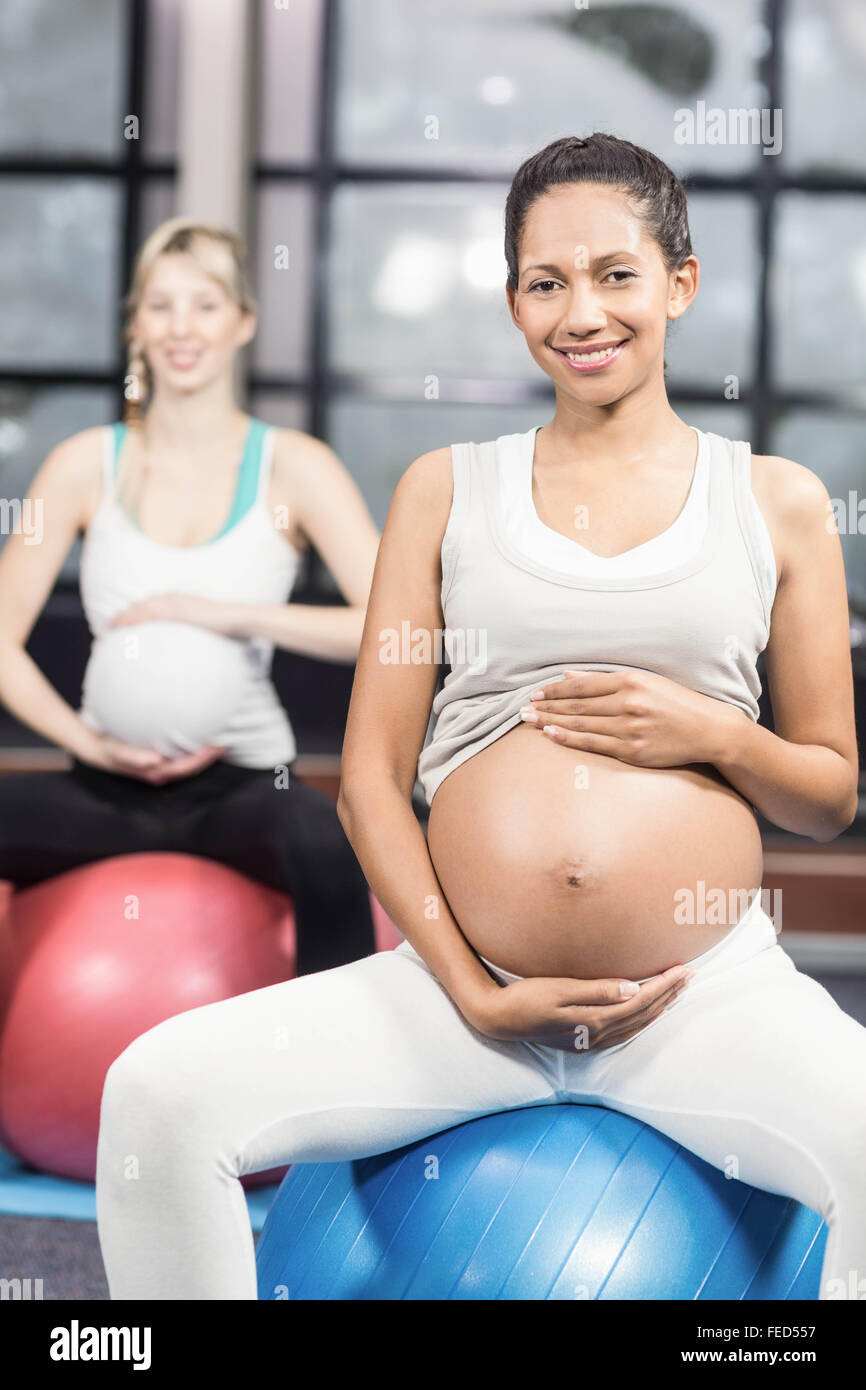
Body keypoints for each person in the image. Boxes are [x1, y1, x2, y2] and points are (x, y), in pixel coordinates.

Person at [95, 135, 865, 1301]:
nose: (580, 311)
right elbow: (368, 778)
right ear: (511, 300)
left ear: (679, 283)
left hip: (697, 999)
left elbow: (827, 795)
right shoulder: (445, 488)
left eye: (615, 273)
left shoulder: (775, 502)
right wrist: (469, 983)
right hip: (458, 996)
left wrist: (715, 735)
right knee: (156, 1093)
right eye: (544, 282)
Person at [0, 217, 381, 977]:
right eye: (161, 305)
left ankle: (338, 1073)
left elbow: (390, 625)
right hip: (104, 784)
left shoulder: (292, 466)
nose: (182, 329)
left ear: (242, 322)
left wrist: (224, 613)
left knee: (325, 839)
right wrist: (90, 745)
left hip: (243, 786)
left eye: (205, 305)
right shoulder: (85, 464)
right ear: (135, 324)